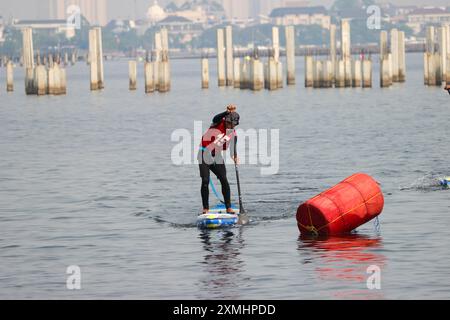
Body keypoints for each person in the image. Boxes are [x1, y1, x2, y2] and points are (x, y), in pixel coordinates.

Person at [198, 104, 240, 215]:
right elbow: (215, 118)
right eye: (228, 123)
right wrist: (226, 112)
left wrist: (235, 156)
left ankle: (228, 207)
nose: (229, 126)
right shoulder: (218, 122)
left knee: (224, 180)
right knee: (205, 181)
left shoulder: (233, 134)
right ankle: (205, 208)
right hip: (204, 153)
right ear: (225, 120)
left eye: (232, 125)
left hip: (216, 156)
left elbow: (232, 150)